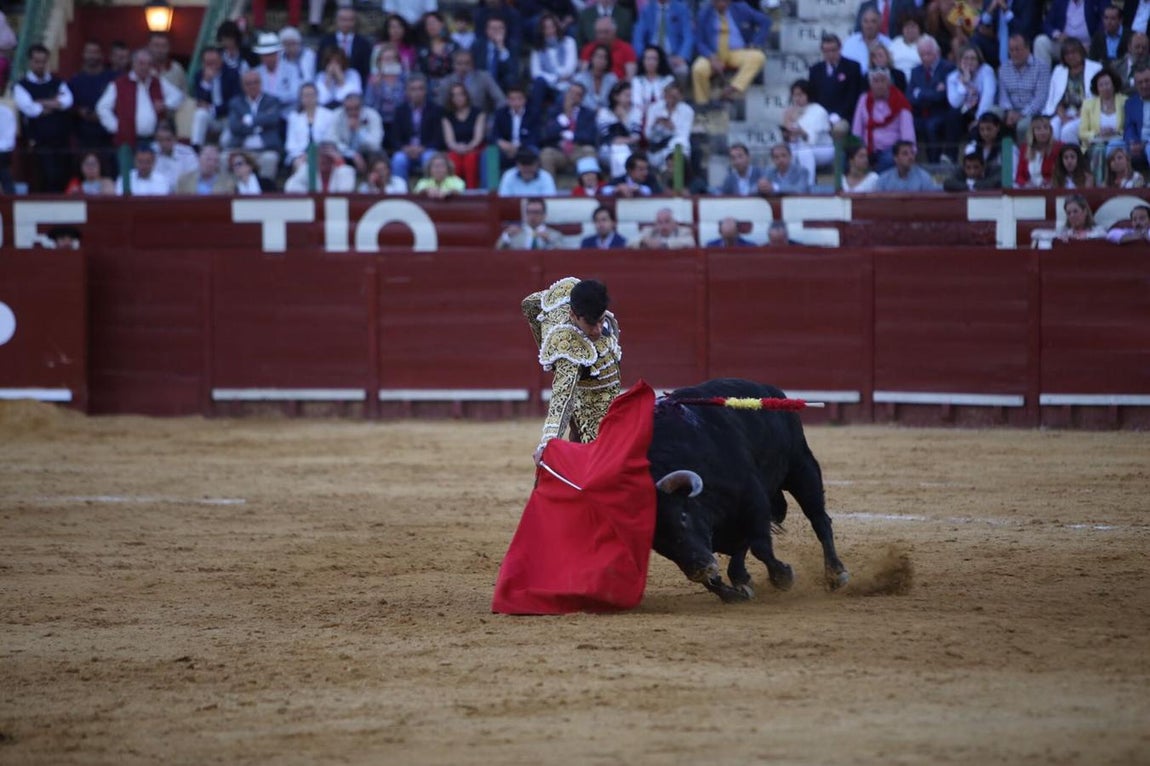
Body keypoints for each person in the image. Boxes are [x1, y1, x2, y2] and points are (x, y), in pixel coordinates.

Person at [521, 277, 622, 464]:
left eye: (601, 320)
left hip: (609, 397)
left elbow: (530, 305)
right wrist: (548, 444)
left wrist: (544, 346)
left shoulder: (569, 294)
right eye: (591, 324)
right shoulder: (568, 348)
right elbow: (563, 397)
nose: (598, 329)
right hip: (592, 408)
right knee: (602, 465)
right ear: (573, 315)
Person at [14, 44, 75, 192]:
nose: (40, 65)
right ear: (30, 62)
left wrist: (40, 102)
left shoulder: (57, 82)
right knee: (45, 179)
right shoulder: (21, 86)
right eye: (37, 61)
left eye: (43, 61)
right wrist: (54, 103)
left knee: (63, 178)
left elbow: (68, 102)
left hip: (61, 141)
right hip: (39, 143)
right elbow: (30, 110)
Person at [691, 0, 769, 104]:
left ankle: (733, 88)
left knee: (758, 56)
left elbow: (766, 21)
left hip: (737, 51)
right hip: (714, 54)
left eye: (725, 1)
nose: (722, 4)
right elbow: (699, 41)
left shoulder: (741, 8)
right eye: (718, 2)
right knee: (698, 69)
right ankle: (702, 104)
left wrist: (755, 43)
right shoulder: (704, 13)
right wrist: (711, 57)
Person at [224, 69, 285, 180]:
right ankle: (231, 192)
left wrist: (249, 120)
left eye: (256, 82)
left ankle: (264, 195)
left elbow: (273, 119)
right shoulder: (235, 103)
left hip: (266, 149)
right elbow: (235, 127)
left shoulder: (272, 101)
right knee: (223, 158)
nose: (252, 86)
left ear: (261, 83)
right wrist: (260, 125)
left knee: (270, 159)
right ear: (243, 86)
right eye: (248, 83)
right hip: (241, 149)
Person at [853, 67, 916, 172]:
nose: (879, 85)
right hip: (867, 146)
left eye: (882, 81)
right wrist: (855, 148)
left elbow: (907, 132)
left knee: (888, 160)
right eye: (875, 81)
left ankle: (875, 184)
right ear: (870, 84)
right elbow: (857, 128)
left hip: (891, 148)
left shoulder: (900, 101)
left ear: (889, 83)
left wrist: (910, 151)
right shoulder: (863, 99)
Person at [1045, 38, 1103, 144]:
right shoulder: (1059, 70)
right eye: (1067, 54)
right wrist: (1062, 116)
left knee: (1067, 131)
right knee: (1052, 128)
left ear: (1081, 52)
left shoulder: (1096, 68)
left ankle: (1072, 159)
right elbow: (1055, 98)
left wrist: (1080, 114)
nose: (1070, 56)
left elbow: (1099, 97)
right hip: (1066, 111)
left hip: (1088, 112)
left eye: (1074, 52)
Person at [907, 35, 953, 163]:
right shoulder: (915, 71)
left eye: (928, 54)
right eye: (922, 55)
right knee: (907, 123)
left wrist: (920, 93)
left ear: (937, 52)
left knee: (931, 126)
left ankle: (934, 163)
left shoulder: (948, 68)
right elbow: (909, 97)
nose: (925, 58)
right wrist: (931, 93)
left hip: (941, 113)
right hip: (920, 113)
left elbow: (942, 97)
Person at [808, 33, 865, 136]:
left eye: (833, 50)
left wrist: (838, 115)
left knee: (839, 129)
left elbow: (853, 95)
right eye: (826, 51)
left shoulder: (852, 67)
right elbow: (814, 96)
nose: (830, 54)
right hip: (822, 115)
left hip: (845, 115)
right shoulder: (815, 70)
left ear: (840, 48)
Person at [390, 75, 444, 181]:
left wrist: (423, 148)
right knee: (398, 159)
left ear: (425, 91)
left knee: (429, 158)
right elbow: (394, 138)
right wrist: (405, 148)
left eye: (420, 88)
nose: (417, 92)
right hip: (406, 150)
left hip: (427, 149)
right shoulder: (400, 111)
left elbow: (439, 138)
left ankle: (430, 191)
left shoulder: (435, 110)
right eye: (413, 89)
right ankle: (400, 193)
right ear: (407, 92)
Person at [539, 82, 598, 179]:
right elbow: (547, 134)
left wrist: (572, 136)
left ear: (582, 98)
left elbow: (590, 137)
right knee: (546, 154)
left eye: (577, 94)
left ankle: (588, 190)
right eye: (571, 93)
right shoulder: (553, 111)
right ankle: (549, 191)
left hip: (578, 150)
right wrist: (566, 116)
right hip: (559, 150)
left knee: (589, 151)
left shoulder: (588, 114)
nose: (573, 96)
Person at [998, 34, 1052, 140]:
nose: (1014, 53)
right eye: (1011, 50)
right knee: (991, 117)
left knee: (1023, 127)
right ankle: (999, 154)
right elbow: (1003, 96)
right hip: (1011, 110)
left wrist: (1022, 114)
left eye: (1017, 49)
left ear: (1028, 49)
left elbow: (1040, 99)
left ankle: (1024, 155)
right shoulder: (1004, 68)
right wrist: (1009, 112)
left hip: (1033, 112)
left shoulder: (1041, 67)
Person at [68, 41, 116, 158]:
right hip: (85, 136)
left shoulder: (113, 78)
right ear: (83, 55)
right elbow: (70, 106)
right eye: (89, 52)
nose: (92, 56)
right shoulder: (75, 80)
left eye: (95, 52)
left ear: (101, 55)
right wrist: (81, 112)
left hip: (109, 136)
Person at [782, 79, 834, 183]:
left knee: (804, 153)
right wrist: (787, 122)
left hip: (823, 148)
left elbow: (812, 139)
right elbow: (789, 139)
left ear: (808, 94)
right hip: (800, 147)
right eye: (795, 95)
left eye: (800, 95)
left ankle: (808, 185)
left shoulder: (818, 110)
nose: (797, 98)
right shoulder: (792, 111)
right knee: (785, 153)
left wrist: (801, 132)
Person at [529, 13, 579, 116]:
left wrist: (558, 77)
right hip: (548, 85)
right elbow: (536, 73)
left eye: (552, 26)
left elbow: (570, 68)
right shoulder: (538, 49)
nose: (550, 31)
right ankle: (533, 120)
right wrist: (555, 78)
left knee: (562, 98)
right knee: (538, 83)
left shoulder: (569, 42)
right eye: (546, 28)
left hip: (566, 85)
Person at [190, 47, 240, 149]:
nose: (212, 65)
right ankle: (196, 147)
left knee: (225, 140)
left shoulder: (232, 74)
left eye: (214, 62)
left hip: (228, 117)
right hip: (212, 117)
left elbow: (235, 101)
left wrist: (213, 109)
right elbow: (200, 101)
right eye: (208, 63)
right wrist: (207, 81)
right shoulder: (199, 75)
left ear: (221, 60)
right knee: (200, 114)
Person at [947, 44, 997, 143]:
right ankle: (950, 155)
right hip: (966, 109)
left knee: (979, 126)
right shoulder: (953, 77)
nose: (969, 62)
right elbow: (955, 103)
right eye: (966, 58)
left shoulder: (986, 71)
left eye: (973, 59)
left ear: (979, 61)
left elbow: (988, 97)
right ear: (960, 61)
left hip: (984, 109)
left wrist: (979, 119)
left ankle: (974, 152)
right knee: (953, 115)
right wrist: (963, 84)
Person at [631, 0, 694, 79]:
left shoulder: (681, 9)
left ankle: (678, 91)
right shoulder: (647, 9)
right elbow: (638, 36)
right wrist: (643, 56)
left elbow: (688, 37)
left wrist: (682, 56)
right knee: (634, 71)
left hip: (673, 56)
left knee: (682, 71)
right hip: (651, 55)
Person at [442, 82, 487, 188]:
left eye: (461, 94)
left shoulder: (478, 113)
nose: (458, 98)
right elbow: (449, 140)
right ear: (451, 98)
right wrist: (458, 148)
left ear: (466, 96)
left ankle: (471, 192)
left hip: (475, 147)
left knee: (470, 159)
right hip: (455, 148)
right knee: (453, 158)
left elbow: (478, 137)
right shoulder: (446, 115)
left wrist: (468, 147)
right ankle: (455, 191)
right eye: (454, 95)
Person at [437, 49, 506, 115]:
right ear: (453, 65)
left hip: (482, 121)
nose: (463, 67)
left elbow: (501, 100)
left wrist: (495, 119)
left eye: (467, 63)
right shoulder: (446, 82)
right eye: (459, 64)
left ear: (473, 64)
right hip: (453, 122)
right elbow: (439, 106)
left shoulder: (484, 77)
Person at [285, 82, 336, 169]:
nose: (309, 98)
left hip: (323, 153)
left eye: (312, 95)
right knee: (302, 166)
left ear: (317, 96)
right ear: (300, 98)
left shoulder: (329, 115)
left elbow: (331, 138)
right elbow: (290, 144)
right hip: (300, 155)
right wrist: (302, 155)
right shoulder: (294, 117)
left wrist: (317, 153)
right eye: (306, 95)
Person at [597, 80, 642, 177]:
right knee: (619, 150)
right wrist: (625, 140)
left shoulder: (635, 112)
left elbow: (636, 137)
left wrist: (624, 119)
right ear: (616, 96)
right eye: (626, 95)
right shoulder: (604, 113)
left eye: (631, 96)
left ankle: (620, 181)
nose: (630, 99)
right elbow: (607, 138)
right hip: (607, 151)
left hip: (631, 150)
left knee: (621, 150)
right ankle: (624, 180)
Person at [490, 84, 541, 171]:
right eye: (512, 99)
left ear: (524, 100)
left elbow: (536, 136)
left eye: (519, 99)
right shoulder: (500, 113)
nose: (516, 102)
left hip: (525, 147)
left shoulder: (533, 114)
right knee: (490, 154)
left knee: (534, 151)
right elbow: (494, 135)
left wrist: (517, 147)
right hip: (506, 148)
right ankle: (492, 185)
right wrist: (501, 143)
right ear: (508, 101)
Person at [643, 81, 692, 170]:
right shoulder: (654, 108)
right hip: (657, 150)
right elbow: (647, 135)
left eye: (674, 97)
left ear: (680, 97)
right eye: (668, 95)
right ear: (664, 94)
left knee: (680, 143)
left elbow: (684, 136)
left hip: (673, 149)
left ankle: (673, 174)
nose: (670, 99)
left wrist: (672, 128)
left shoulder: (687, 111)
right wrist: (655, 125)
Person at [318, 8, 374, 83]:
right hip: (330, 82)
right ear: (336, 21)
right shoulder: (326, 41)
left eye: (350, 20)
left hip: (355, 84)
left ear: (355, 22)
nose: (346, 23)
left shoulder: (363, 44)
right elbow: (320, 66)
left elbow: (366, 69)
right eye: (343, 20)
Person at [333, 92, 384, 174]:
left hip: (367, 153)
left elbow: (375, 144)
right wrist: (353, 154)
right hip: (345, 153)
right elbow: (333, 141)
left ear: (362, 107)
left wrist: (359, 131)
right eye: (348, 109)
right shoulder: (336, 115)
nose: (352, 112)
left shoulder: (373, 115)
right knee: (332, 154)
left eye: (356, 108)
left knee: (378, 155)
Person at [284, 140, 358, 192]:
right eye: (321, 156)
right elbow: (290, 187)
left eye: (328, 157)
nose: (324, 160)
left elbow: (346, 190)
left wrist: (338, 160)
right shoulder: (307, 170)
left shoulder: (345, 171)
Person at [580, 16, 637, 82]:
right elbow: (583, 74)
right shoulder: (588, 49)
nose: (602, 36)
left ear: (614, 31)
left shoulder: (626, 48)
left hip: (619, 87)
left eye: (606, 32)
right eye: (599, 32)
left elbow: (630, 76)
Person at [363, 45, 407, 130]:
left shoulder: (404, 78)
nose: (389, 62)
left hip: (401, 121)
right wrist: (376, 87)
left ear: (398, 61)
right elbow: (369, 104)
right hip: (379, 121)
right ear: (379, 62)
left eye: (392, 58)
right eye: (386, 59)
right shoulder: (373, 80)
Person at [472, 16, 519, 94]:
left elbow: (512, 70)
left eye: (500, 28)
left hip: (501, 84)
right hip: (481, 82)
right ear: (487, 30)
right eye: (493, 28)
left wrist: (501, 48)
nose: (497, 31)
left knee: (511, 79)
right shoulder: (478, 45)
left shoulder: (511, 46)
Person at [496, 197, 565, 249]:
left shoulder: (554, 235)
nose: (532, 216)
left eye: (536, 212)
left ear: (544, 215)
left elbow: (563, 255)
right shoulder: (515, 233)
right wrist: (507, 236)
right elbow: (497, 251)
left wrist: (549, 241)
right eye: (529, 212)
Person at [1015, 114, 1061, 188]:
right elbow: (1020, 176)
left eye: (1046, 128)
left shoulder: (1058, 147)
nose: (1043, 132)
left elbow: (1062, 174)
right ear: (1032, 132)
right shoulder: (1024, 149)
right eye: (1038, 129)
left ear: (1050, 131)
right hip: (1030, 191)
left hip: (1052, 190)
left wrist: (1050, 183)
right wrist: (1026, 184)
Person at [876, 139, 941, 190]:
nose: (910, 157)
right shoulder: (884, 180)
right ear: (895, 158)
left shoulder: (924, 178)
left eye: (912, 153)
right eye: (905, 154)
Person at [844, 7, 893, 73]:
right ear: (861, 23)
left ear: (879, 23)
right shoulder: (850, 43)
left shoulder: (888, 44)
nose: (869, 25)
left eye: (873, 21)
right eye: (865, 21)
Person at [632, 45, 675, 121]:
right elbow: (636, 101)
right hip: (641, 115)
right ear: (643, 61)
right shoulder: (637, 80)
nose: (651, 62)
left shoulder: (668, 79)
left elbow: (667, 101)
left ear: (660, 61)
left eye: (654, 59)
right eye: (648, 59)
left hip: (663, 115)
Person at [418, 12, 456, 95]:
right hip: (428, 90)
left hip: (451, 89)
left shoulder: (453, 46)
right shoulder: (422, 49)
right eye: (428, 24)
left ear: (442, 24)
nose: (431, 26)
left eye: (433, 23)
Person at [153, 121, 198, 190]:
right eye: (160, 140)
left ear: (175, 138)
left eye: (168, 140)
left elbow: (194, 179)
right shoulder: (150, 154)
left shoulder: (187, 154)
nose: (164, 144)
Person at [574, 43, 618, 111]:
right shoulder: (580, 78)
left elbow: (614, 101)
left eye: (605, 58)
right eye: (599, 56)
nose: (601, 60)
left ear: (608, 61)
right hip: (585, 113)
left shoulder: (612, 79)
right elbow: (579, 101)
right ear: (592, 58)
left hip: (606, 115)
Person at [630, 207, 695, 248]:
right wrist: (643, 242)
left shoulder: (684, 231)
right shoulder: (648, 231)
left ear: (674, 223)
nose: (663, 225)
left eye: (667, 221)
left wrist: (663, 244)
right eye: (659, 222)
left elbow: (690, 242)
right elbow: (630, 242)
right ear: (655, 224)